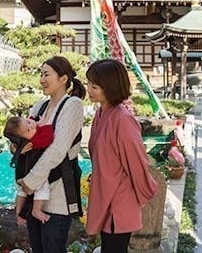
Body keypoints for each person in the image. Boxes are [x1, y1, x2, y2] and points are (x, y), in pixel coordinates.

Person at [86, 59, 158, 253]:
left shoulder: (123, 119)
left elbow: (137, 162)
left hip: (119, 199)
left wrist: (144, 191)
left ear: (110, 87)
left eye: (94, 86)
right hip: (105, 192)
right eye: (88, 84)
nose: (89, 90)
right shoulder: (101, 113)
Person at [17, 56, 86, 253]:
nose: (42, 79)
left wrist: (30, 181)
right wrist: (17, 149)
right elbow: (22, 137)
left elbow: (58, 149)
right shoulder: (40, 106)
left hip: (57, 191)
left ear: (63, 79)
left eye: (46, 74)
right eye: (41, 74)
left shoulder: (73, 105)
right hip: (34, 193)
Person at [4, 115, 54, 223]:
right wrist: (44, 125)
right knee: (42, 187)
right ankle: (36, 210)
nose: (31, 126)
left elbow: (29, 121)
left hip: (19, 175)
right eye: (28, 129)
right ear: (21, 137)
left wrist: (33, 123)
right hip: (29, 175)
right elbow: (47, 138)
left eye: (28, 121)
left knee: (21, 193)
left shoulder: (19, 143)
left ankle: (18, 214)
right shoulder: (32, 142)